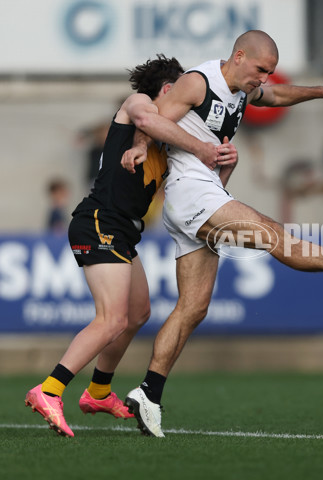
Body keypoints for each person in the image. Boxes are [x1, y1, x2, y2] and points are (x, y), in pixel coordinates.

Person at [121, 30, 323, 437]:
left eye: (270, 72)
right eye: (261, 69)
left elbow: (276, 97)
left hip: (202, 196)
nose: (264, 79)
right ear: (238, 56)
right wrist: (138, 146)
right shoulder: (198, 82)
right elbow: (154, 115)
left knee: (194, 308)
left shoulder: (245, 90)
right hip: (191, 195)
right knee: (275, 235)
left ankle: (148, 393)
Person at [24, 55, 225, 437]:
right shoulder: (137, 104)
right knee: (112, 318)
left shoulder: (166, 139)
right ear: (168, 89)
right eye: (182, 91)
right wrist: (200, 146)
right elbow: (147, 119)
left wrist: (220, 159)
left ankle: (99, 392)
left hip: (123, 231)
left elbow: (209, 180)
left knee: (137, 313)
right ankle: (49, 390)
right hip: (100, 221)